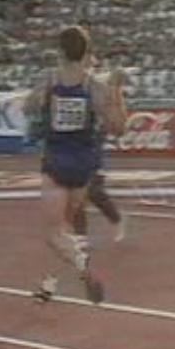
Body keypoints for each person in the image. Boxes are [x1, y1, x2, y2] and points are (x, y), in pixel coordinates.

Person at [24, 26, 127, 303]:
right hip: (82, 167)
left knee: (54, 233)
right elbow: (118, 127)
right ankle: (49, 283)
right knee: (66, 228)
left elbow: (29, 109)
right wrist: (116, 91)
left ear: (60, 51)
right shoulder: (95, 86)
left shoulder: (48, 78)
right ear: (86, 53)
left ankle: (83, 267)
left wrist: (37, 97)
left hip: (56, 162)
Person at [73, 19, 127, 243]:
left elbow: (116, 121)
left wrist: (113, 88)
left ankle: (116, 219)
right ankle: (80, 237)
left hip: (92, 141)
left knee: (93, 191)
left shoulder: (99, 84)